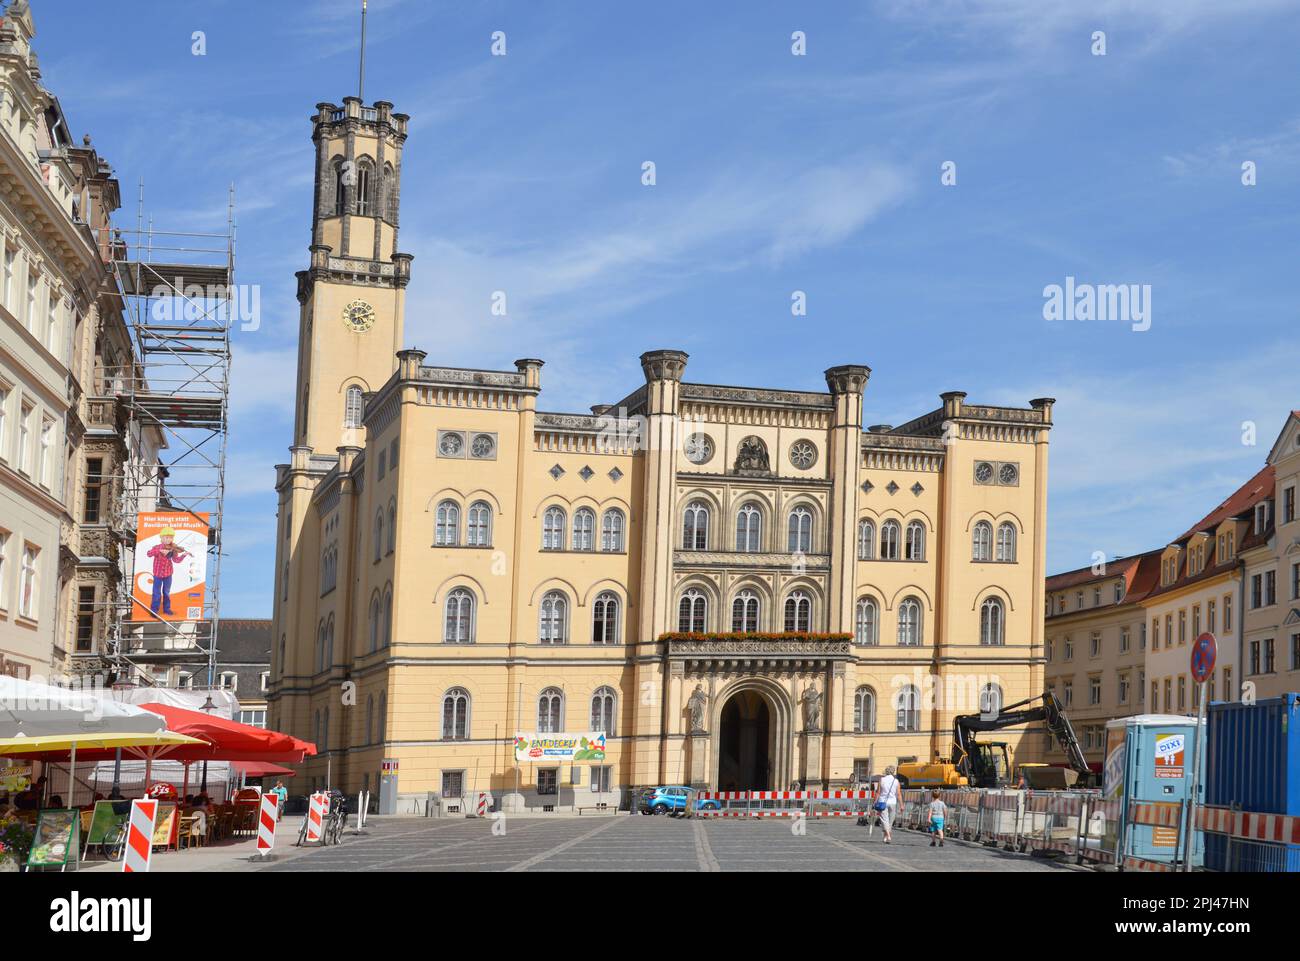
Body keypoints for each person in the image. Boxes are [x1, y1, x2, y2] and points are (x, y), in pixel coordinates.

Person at [147, 527, 191, 616]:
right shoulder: (157, 547)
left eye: (171, 537)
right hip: (158, 574)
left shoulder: (173, 548)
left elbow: (176, 560)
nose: (169, 539)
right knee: (156, 592)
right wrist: (159, 551)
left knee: (166, 592)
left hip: (168, 574)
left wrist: (184, 555)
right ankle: (154, 610)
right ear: (161, 538)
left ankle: (166, 609)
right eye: (166, 537)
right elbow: (149, 554)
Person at [876, 766, 901, 843]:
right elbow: (899, 794)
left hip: (882, 802)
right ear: (893, 772)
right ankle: (886, 836)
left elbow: (878, 792)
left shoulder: (882, 780)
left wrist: (874, 801)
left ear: (886, 771)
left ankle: (888, 836)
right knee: (890, 821)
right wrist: (902, 805)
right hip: (893, 802)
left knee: (884, 820)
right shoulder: (896, 781)